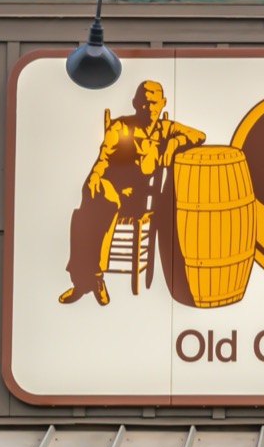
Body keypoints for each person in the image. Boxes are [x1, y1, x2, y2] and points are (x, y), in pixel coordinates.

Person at [59, 79, 205, 305]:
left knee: (90, 213)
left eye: (154, 103)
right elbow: (103, 159)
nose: (149, 108)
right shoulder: (120, 127)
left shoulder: (166, 130)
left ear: (163, 103)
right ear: (135, 103)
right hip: (111, 191)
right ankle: (90, 279)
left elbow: (199, 135)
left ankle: (85, 281)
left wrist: (175, 144)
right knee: (87, 208)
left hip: (138, 200)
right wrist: (95, 177)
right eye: (144, 103)